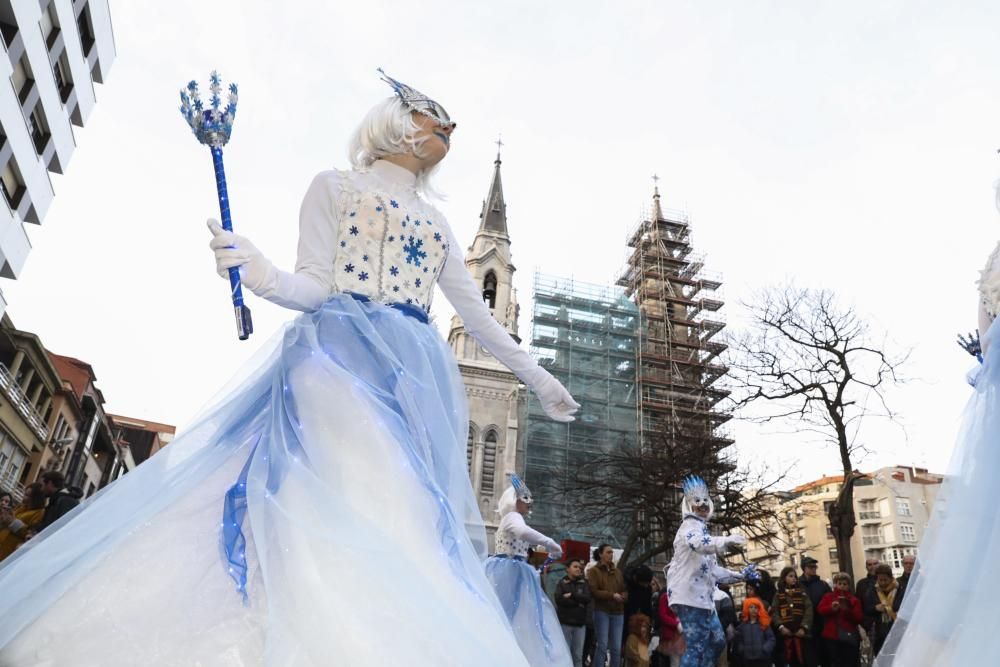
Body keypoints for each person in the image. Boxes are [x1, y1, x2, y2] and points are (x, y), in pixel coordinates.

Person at [0, 69, 579, 665]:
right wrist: (260, 272)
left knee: (398, 508)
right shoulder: (333, 187)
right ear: (397, 123)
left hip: (408, 377)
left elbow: (479, 319)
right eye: (434, 115)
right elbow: (311, 285)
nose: (447, 128)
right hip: (335, 360)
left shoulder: (437, 226)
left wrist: (537, 377)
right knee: (335, 490)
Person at [487, 474, 572, 666]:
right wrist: (551, 543)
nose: (529, 506)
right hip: (510, 570)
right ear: (515, 501)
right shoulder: (512, 517)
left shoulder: (513, 518)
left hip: (513, 569)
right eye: (526, 501)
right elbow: (523, 533)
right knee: (512, 616)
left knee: (513, 616)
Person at [665, 476, 747, 667]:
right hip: (689, 597)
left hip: (703, 600)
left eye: (704, 501)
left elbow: (712, 571)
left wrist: (741, 575)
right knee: (695, 647)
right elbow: (700, 545)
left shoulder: (702, 529)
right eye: (697, 501)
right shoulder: (689, 528)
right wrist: (725, 541)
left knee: (718, 641)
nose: (702, 504)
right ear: (689, 504)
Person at [588, 544, 628, 667]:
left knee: (616, 648)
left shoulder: (617, 572)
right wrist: (612, 595)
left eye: (612, 552)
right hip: (602, 611)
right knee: (602, 645)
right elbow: (594, 591)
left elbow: (624, 589)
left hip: (618, 612)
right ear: (600, 554)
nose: (611, 554)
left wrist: (624, 596)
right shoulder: (594, 571)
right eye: (608, 552)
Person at [772, 567, 816, 667]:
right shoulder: (778, 595)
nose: (794, 578)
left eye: (795, 576)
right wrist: (781, 627)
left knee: (804, 661)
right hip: (786, 636)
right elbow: (774, 612)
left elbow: (809, 610)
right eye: (790, 576)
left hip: (802, 636)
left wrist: (804, 628)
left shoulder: (802, 593)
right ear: (784, 578)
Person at [817, 573, 862, 667]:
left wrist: (847, 610)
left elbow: (858, 618)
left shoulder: (854, 600)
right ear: (835, 584)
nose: (842, 586)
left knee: (849, 662)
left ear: (848, 586)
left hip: (848, 636)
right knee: (835, 662)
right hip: (831, 636)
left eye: (845, 584)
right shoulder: (828, 596)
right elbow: (820, 610)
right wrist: (831, 609)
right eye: (839, 583)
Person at [556, 559, 593, 667]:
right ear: (568, 569)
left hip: (580, 625)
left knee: (578, 656)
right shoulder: (562, 583)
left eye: (579, 567)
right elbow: (559, 600)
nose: (578, 569)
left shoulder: (584, 583)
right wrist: (578, 603)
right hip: (565, 623)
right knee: (565, 654)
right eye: (575, 566)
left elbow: (587, 598)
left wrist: (572, 595)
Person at [798, 557, 832, 667]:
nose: (814, 569)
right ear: (804, 568)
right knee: (809, 660)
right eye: (810, 567)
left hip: (822, 626)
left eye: (815, 567)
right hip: (805, 628)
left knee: (825, 659)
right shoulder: (797, 585)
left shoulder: (823, 585)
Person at [0, 484, 47, 560]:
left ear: (35, 498)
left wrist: (12, 522)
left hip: (9, 552)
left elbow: (30, 533)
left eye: (27, 495)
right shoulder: (21, 507)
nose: (23, 497)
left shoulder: (39, 513)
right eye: (25, 494)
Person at [864, 564, 896, 657]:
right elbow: (866, 609)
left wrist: (892, 607)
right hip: (879, 631)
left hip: (894, 628)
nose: (882, 583)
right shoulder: (872, 590)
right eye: (880, 580)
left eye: (885, 580)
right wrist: (875, 608)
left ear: (891, 578)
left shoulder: (898, 588)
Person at [734, 599, 776, 667]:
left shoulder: (764, 624)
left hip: (762, 659)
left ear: (759, 609)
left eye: (756, 607)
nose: (753, 609)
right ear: (747, 609)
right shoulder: (742, 626)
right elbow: (739, 640)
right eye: (751, 607)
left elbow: (771, 638)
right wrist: (742, 649)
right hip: (747, 659)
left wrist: (765, 649)